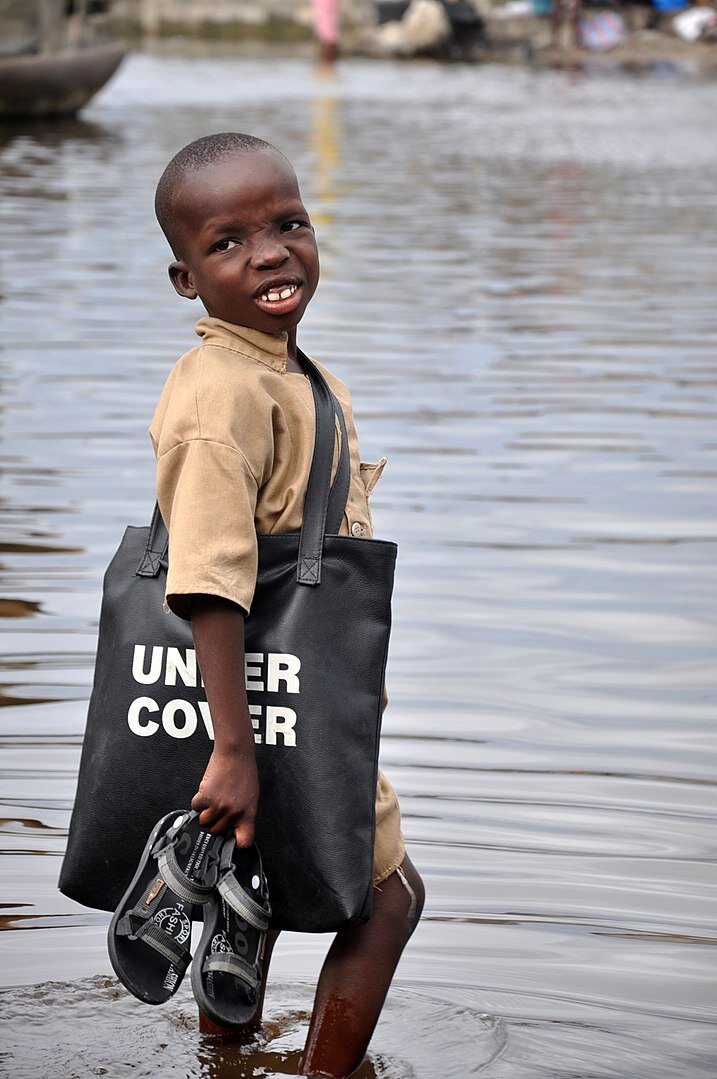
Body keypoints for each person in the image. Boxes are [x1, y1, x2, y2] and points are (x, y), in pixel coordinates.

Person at [149, 132, 425, 1079]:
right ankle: (325, 1074)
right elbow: (207, 577)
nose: (269, 252)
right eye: (227, 243)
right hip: (266, 713)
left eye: (289, 224)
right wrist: (233, 751)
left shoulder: (284, 371)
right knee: (388, 898)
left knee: (248, 892)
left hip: (277, 701)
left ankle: (223, 1059)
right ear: (185, 279)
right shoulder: (223, 394)